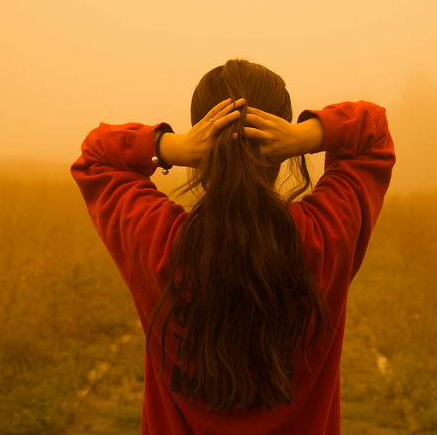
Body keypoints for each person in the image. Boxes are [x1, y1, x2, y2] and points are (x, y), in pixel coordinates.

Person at [70, 58, 396, 434]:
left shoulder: (158, 243)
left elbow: (96, 156)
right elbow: (373, 133)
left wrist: (169, 147)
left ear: (201, 145)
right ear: (280, 147)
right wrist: (307, 136)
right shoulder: (324, 238)